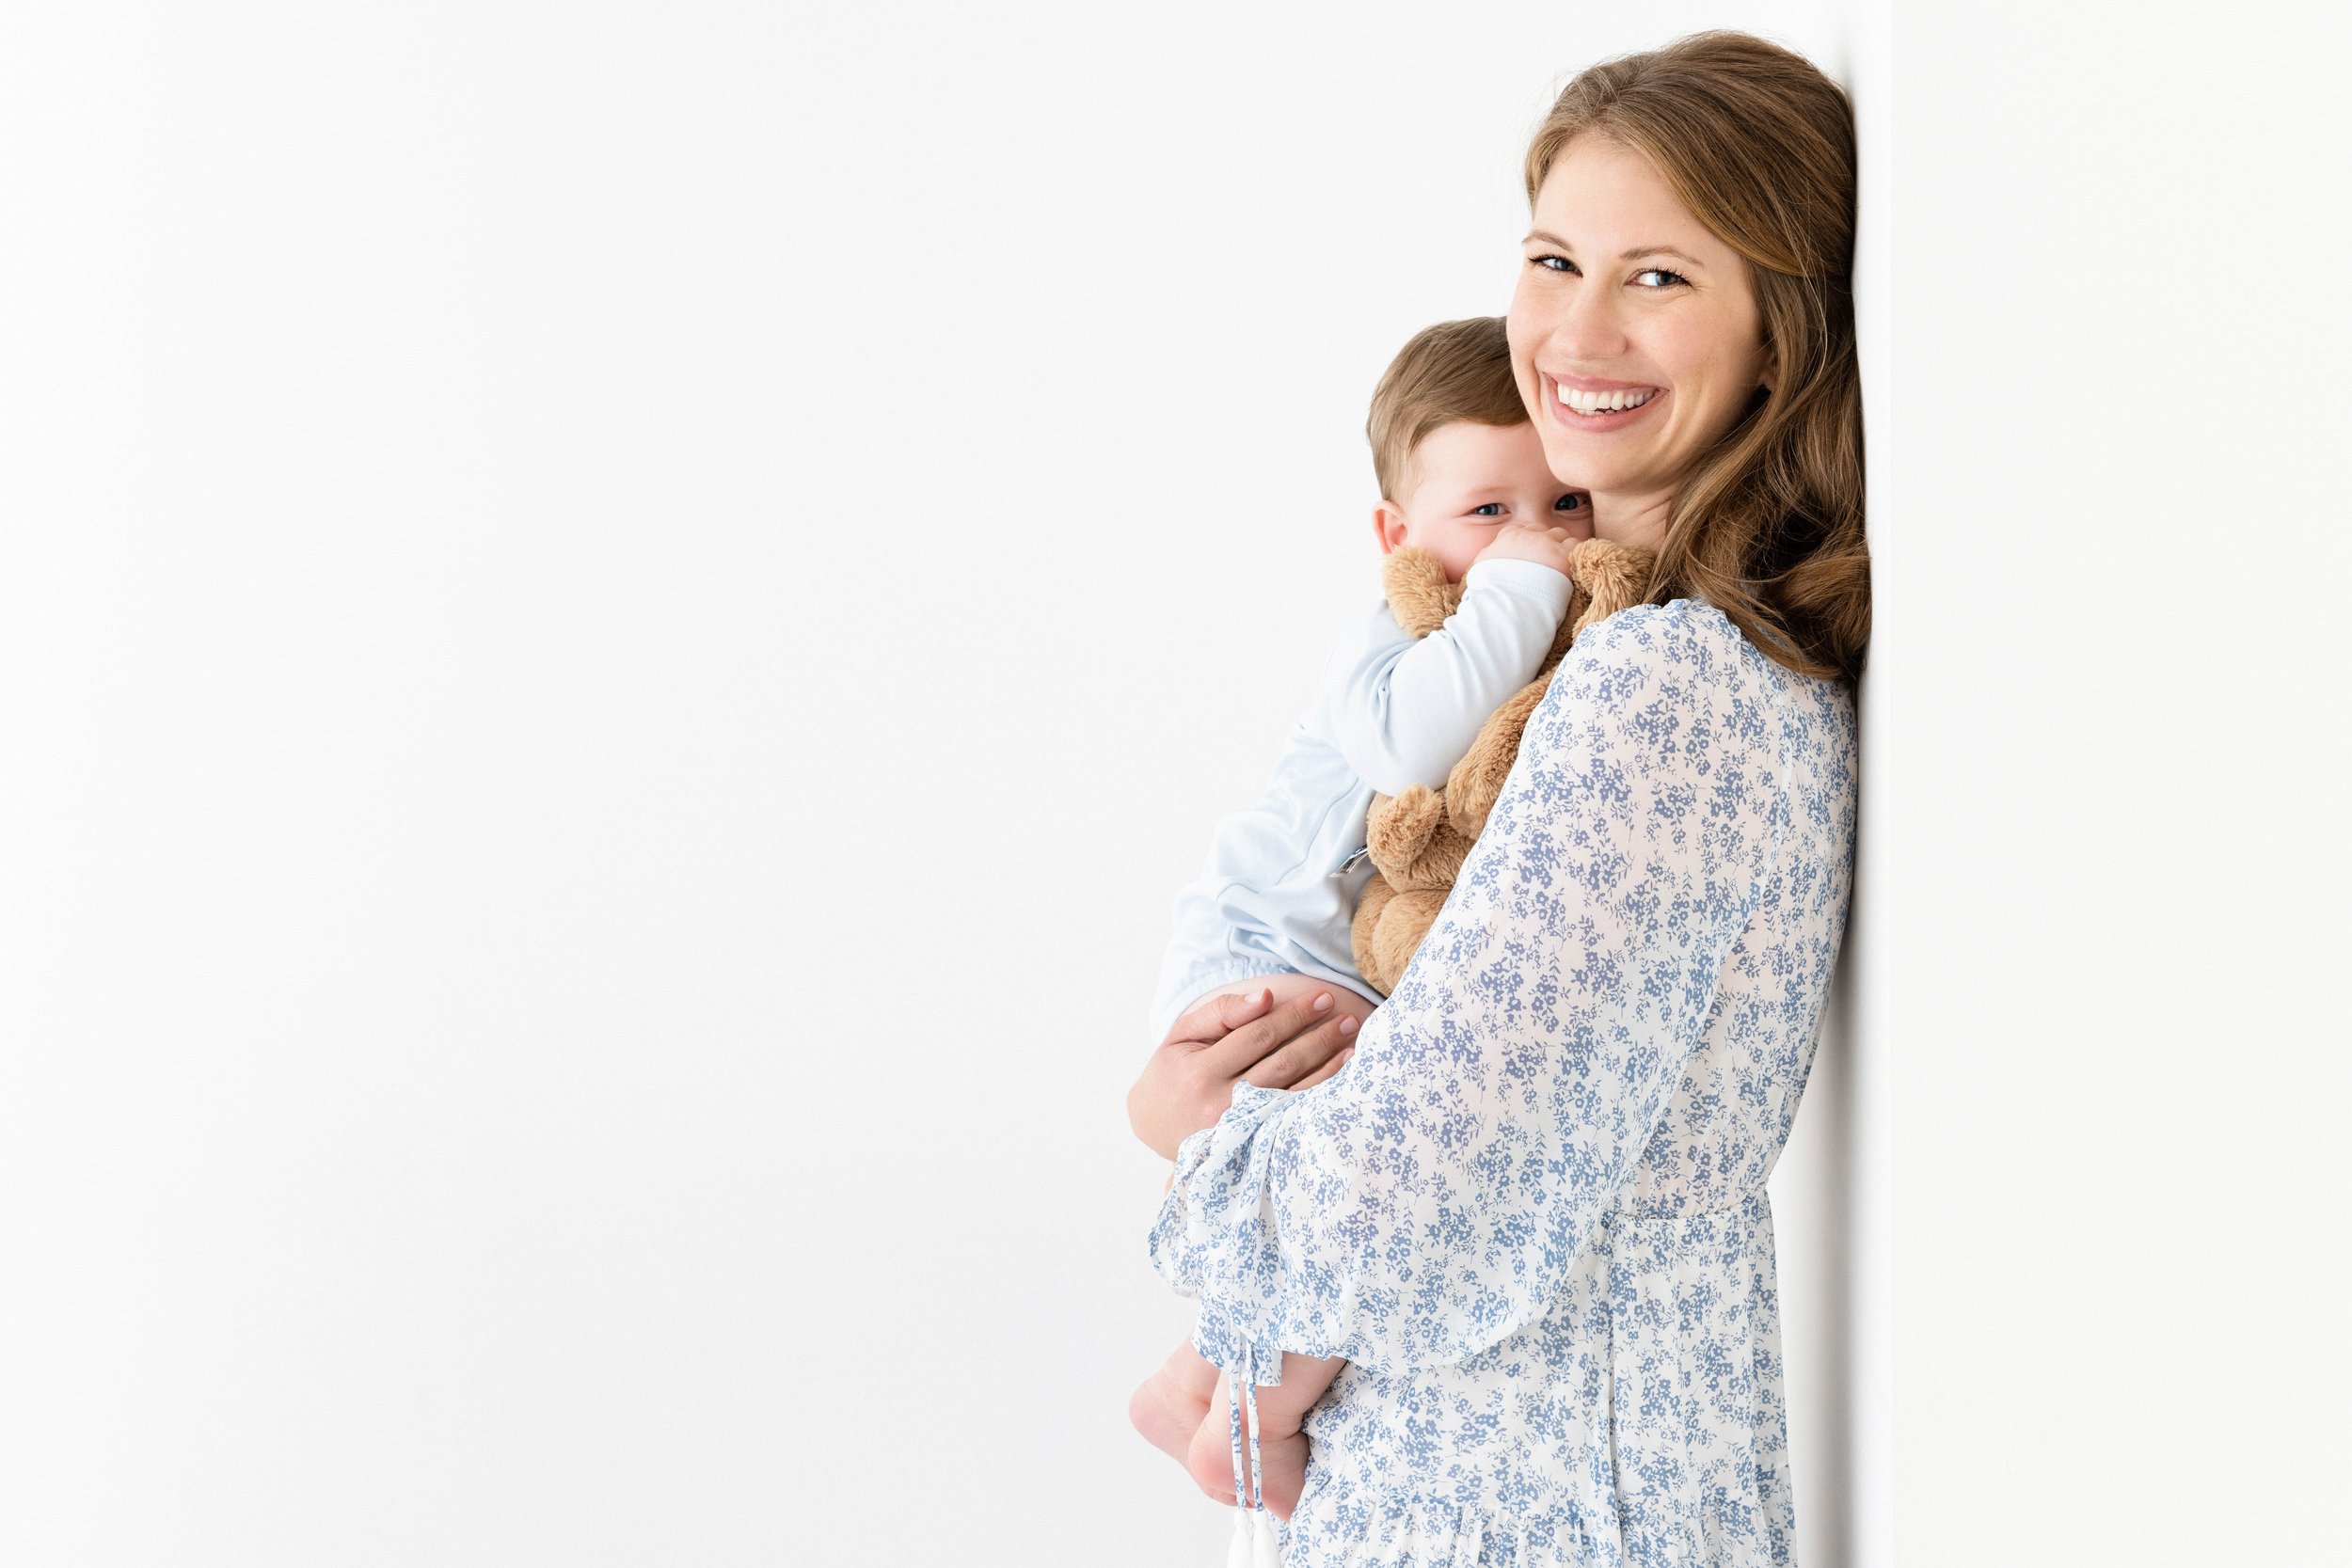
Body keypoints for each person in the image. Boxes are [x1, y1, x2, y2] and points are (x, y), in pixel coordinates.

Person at [1130, 30, 1868, 1564]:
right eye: (1553, 260)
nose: (1577, 332)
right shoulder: (1599, 656)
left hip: (1544, 1506)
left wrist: (1195, 1127)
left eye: (1658, 275)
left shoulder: (1662, 685)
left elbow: (1388, 1217)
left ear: (1776, 339)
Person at [1128, 316, 1599, 1517]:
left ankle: (1190, 1380)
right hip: (1262, 955)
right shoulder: (1398, 633)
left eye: (1563, 501)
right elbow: (1408, 747)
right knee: (1373, 1170)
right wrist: (1524, 579)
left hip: (1325, 964)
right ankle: (1252, 1411)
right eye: (1487, 510)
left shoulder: (1521, 634)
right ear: (1400, 536)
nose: (1535, 533)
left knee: (1352, 1172)